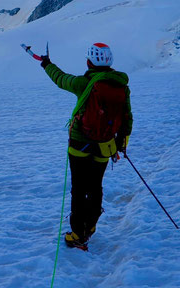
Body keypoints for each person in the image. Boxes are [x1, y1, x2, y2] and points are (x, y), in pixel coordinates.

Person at [40, 42, 132, 250]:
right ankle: (89, 227)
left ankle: (77, 234)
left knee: (79, 189)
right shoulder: (121, 86)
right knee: (95, 186)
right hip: (105, 145)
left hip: (79, 144)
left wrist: (47, 64)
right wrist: (122, 143)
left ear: (89, 61)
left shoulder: (84, 83)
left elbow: (61, 79)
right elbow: (127, 118)